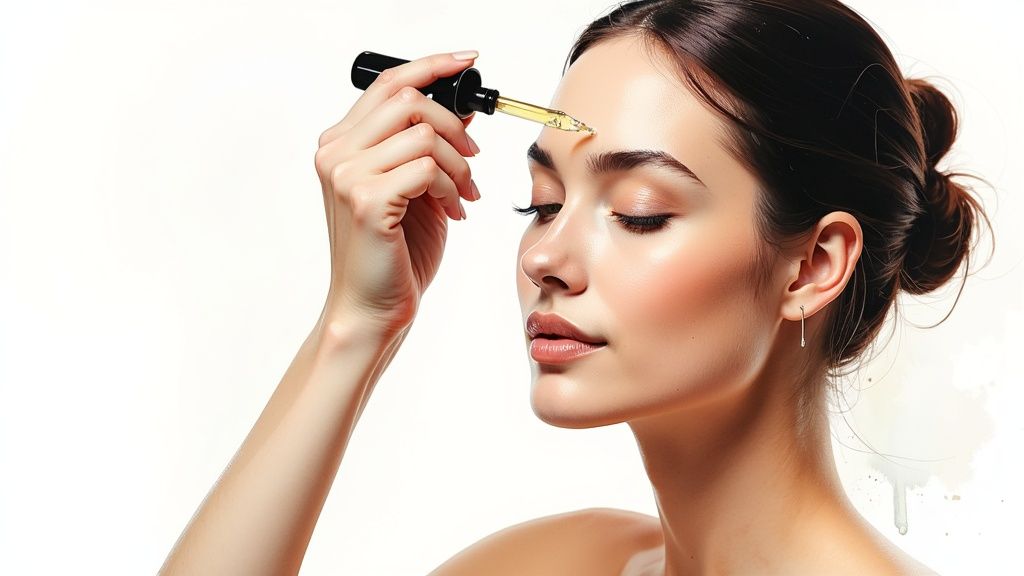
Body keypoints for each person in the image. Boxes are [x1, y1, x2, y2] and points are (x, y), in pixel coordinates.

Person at [159, 0, 993, 574]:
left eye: (638, 212)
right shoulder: (548, 564)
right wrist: (354, 326)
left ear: (812, 266)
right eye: (543, 203)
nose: (544, 255)